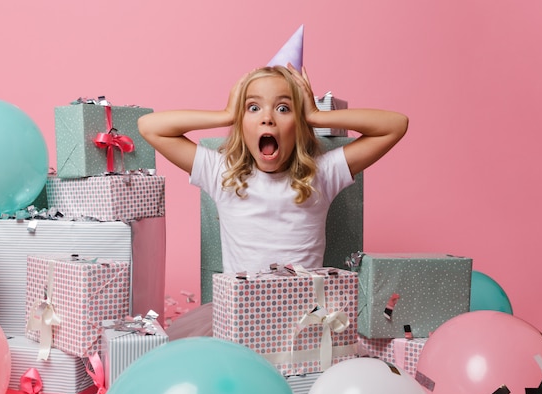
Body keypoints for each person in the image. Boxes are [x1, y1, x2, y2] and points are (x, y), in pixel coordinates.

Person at [138, 63, 408, 338]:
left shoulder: (322, 175)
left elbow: (396, 125)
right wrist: (226, 113)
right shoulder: (223, 175)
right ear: (242, 126)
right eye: (253, 108)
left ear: (298, 125)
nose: (267, 118)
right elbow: (149, 127)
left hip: (302, 320)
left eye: (283, 108)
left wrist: (314, 115)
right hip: (240, 316)